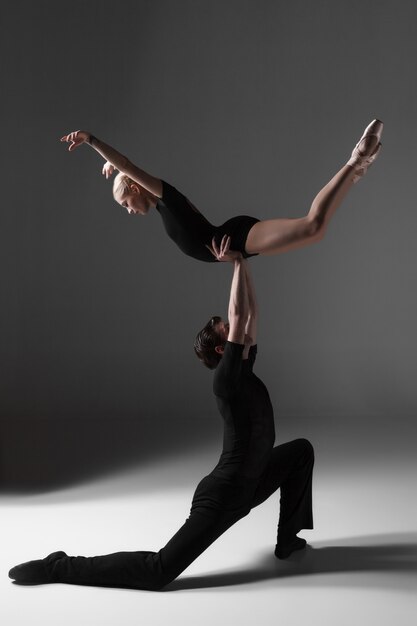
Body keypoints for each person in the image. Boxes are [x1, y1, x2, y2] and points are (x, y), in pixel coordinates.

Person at [9, 239, 314, 591]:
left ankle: (287, 540)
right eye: (226, 332)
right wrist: (234, 263)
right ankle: (58, 567)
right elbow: (239, 315)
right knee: (158, 571)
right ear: (221, 349)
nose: (237, 331)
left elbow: (251, 314)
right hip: (225, 493)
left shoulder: (244, 366)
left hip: (254, 478)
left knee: (301, 452)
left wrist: (242, 261)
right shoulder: (227, 380)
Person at [60, 120, 383, 262]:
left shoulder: (163, 196)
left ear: (134, 187)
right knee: (315, 232)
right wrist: (113, 169)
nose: (128, 210)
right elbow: (125, 169)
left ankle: (356, 160)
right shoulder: (158, 203)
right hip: (235, 244)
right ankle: (354, 173)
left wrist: (92, 141)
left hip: (236, 237)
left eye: (124, 203)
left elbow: (128, 165)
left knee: (312, 225)